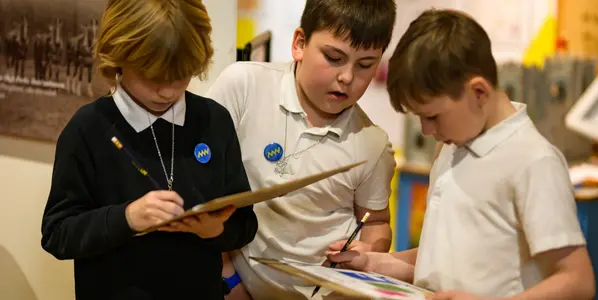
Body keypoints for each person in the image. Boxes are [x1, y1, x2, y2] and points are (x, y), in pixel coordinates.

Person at [327, 8, 596, 300]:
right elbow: (439, 260)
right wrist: (372, 263)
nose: (426, 131)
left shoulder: (534, 161)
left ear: (478, 92)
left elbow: (577, 281)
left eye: (432, 116)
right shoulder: (451, 148)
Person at [40, 1, 258, 299]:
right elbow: (57, 234)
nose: (167, 91)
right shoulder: (87, 129)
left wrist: (213, 230)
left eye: (181, 75)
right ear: (119, 56)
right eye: (153, 77)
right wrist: (126, 218)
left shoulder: (214, 121)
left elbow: (245, 225)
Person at [206, 0, 397, 299]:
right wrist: (229, 280)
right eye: (334, 57)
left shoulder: (372, 143)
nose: (347, 77)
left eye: (365, 65)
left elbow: (377, 222)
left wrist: (370, 250)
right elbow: (201, 188)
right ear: (299, 43)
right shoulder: (242, 87)